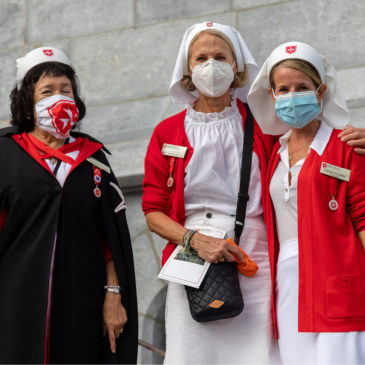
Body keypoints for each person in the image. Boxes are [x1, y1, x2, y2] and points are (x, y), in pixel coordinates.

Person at [142, 22, 281, 364]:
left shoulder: (264, 123)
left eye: (220, 56)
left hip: (253, 257)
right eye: (201, 57)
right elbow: (153, 210)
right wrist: (193, 239)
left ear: (236, 66)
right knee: (192, 352)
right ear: (188, 68)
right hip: (191, 258)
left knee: (258, 353)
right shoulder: (167, 131)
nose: (211, 65)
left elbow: (307, 150)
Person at [0, 47, 138, 364]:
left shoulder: (94, 162)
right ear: (28, 103)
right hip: (14, 304)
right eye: (47, 91)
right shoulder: (6, 154)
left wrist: (113, 295)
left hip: (82, 304)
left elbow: (110, 241)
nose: (59, 98)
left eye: (66, 90)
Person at [247, 41, 365, 364]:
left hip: (338, 280)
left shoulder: (346, 146)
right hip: (287, 283)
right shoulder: (275, 152)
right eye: (283, 89)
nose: (291, 95)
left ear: (320, 90)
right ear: (272, 96)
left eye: (302, 87)